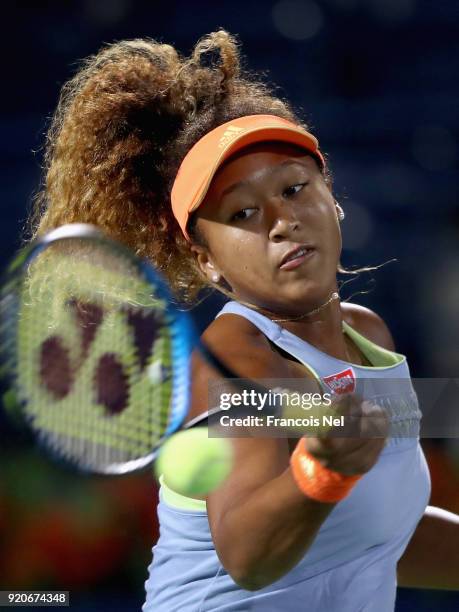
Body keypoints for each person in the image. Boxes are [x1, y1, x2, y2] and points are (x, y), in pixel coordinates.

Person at [30, 30, 459, 612]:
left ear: (332, 200)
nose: (282, 220)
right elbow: (248, 555)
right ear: (206, 261)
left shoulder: (371, 337)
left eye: (294, 187)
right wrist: (319, 470)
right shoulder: (231, 363)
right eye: (243, 213)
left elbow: (378, 534)